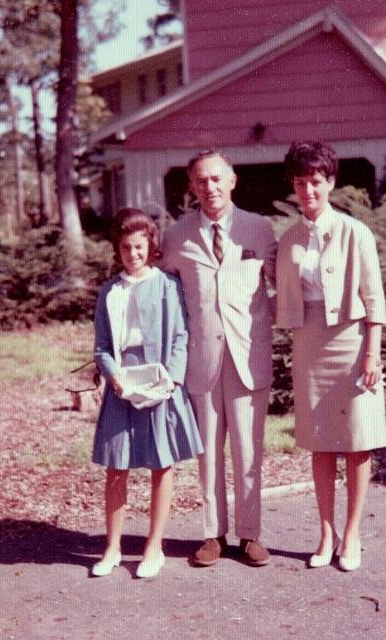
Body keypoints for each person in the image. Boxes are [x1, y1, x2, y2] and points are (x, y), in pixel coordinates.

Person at [276, 141, 386, 571]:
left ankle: (353, 532)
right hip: (309, 343)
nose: (309, 190)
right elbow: (277, 293)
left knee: (358, 441)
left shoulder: (355, 232)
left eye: (316, 182)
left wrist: (372, 355)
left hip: (353, 342)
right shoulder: (288, 239)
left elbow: (374, 299)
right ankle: (326, 533)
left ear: (331, 183)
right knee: (320, 444)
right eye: (301, 182)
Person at [162, 150, 277, 567]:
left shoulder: (260, 229)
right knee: (208, 450)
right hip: (202, 359)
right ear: (191, 187)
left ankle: (250, 535)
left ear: (232, 181)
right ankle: (213, 534)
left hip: (249, 356)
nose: (209, 187)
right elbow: (164, 298)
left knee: (249, 449)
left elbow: (283, 287)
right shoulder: (175, 237)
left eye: (216, 179)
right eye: (200, 181)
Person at [91, 208, 203, 579]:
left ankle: (153, 547)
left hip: (160, 382)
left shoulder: (167, 285)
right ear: (118, 249)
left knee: (161, 462)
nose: (133, 253)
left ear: (150, 246)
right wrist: (113, 376)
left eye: (139, 246)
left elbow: (180, 337)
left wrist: (172, 378)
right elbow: (103, 346)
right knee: (116, 466)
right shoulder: (110, 291)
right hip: (124, 382)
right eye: (126, 247)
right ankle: (112, 548)